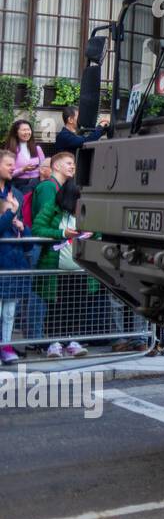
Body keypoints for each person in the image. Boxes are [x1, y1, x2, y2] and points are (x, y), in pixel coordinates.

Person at [31, 151, 89, 358]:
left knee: (76, 307)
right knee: (55, 307)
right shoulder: (53, 207)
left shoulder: (86, 212)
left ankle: (72, 341)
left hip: (79, 270)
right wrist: (62, 233)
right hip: (55, 268)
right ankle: (53, 343)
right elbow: (37, 228)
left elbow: (98, 231)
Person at [0, 149, 37, 365]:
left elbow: (24, 230)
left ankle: (6, 345)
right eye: (7, 164)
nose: (12, 168)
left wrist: (24, 230)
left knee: (10, 311)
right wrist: (10, 213)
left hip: (14, 261)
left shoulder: (18, 194)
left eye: (13, 164)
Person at [5, 119, 45, 194]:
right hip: (18, 185)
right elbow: (7, 173)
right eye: (23, 130)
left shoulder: (37, 149)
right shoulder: (10, 150)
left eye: (28, 129)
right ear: (16, 133)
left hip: (36, 183)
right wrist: (22, 170)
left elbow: (44, 166)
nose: (27, 132)